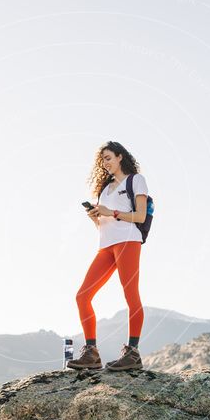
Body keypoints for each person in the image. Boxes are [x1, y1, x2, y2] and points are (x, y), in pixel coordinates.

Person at [69, 140, 148, 371]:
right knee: (82, 296)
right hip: (106, 245)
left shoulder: (136, 180)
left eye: (108, 158)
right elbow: (104, 225)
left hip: (128, 241)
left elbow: (141, 216)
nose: (105, 163)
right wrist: (96, 217)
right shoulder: (105, 188)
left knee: (131, 296)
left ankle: (133, 353)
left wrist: (110, 212)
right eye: (102, 160)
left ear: (120, 157)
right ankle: (91, 353)